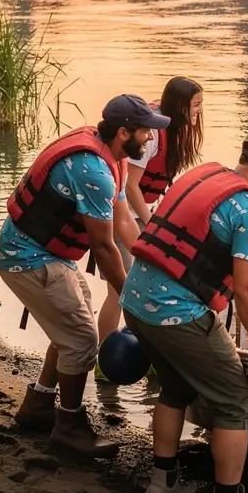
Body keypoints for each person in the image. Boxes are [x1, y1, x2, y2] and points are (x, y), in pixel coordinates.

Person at [120, 127, 248, 493]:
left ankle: (161, 484)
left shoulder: (204, 173)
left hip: (135, 301)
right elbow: (246, 287)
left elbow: (218, 261)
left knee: (176, 386)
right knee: (237, 399)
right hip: (175, 313)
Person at [0, 95, 169, 457]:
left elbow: (123, 221)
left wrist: (151, 263)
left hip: (49, 254)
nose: (151, 139)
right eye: (145, 132)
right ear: (124, 132)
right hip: (27, 258)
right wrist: (132, 303)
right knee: (81, 340)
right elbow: (104, 248)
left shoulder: (111, 157)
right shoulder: (91, 170)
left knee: (73, 324)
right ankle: (69, 425)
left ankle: (39, 406)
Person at [96, 77, 204, 343]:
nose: (199, 111)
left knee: (152, 285)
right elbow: (131, 185)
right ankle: (105, 354)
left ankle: (153, 348)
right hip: (124, 216)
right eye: (195, 105)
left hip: (143, 215)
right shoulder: (151, 136)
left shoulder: (174, 132)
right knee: (118, 291)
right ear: (179, 106)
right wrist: (151, 225)